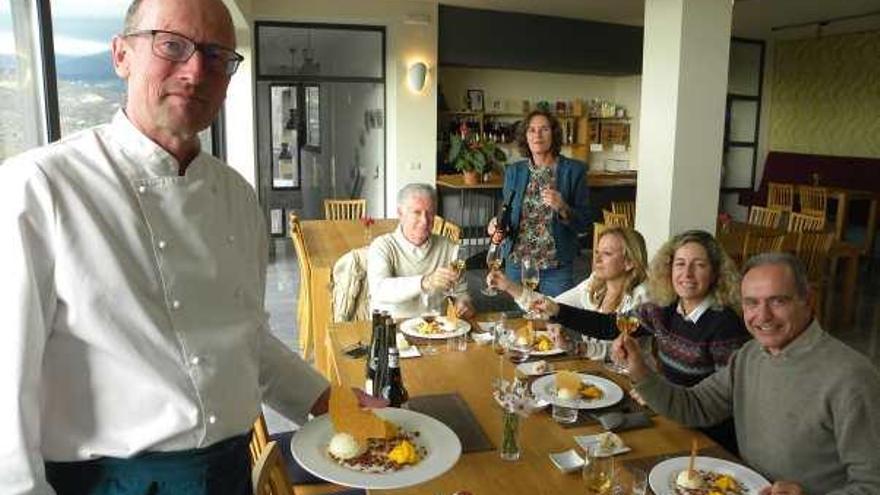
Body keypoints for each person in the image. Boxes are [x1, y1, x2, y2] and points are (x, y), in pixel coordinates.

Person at [0, 0, 335, 493]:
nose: (196, 69)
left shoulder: (239, 197)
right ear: (121, 56)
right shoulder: (39, 186)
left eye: (217, 55)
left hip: (228, 473)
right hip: (113, 482)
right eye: (171, 45)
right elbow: (7, 386)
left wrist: (326, 400)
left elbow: (246, 338)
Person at [616, 253, 880, 495]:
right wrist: (640, 371)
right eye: (751, 303)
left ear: (808, 301)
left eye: (778, 301)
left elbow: (872, 484)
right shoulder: (749, 355)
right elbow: (695, 406)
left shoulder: (851, 377)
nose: (763, 316)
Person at [486, 110, 590, 297]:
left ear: (554, 134)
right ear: (525, 136)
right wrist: (497, 224)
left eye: (544, 129)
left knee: (558, 321)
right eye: (531, 130)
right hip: (518, 264)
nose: (537, 135)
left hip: (556, 267)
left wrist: (563, 208)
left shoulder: (574, 171)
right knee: (520, 322)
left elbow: (584, 223)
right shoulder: (514, 172)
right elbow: (508, 215)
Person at [368, 183, 475, 319]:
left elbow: (461, 292)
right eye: (417, 213)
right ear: (400, 213)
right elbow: (379, 290)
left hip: (436, 330)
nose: (424, 221)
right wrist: (425, 282)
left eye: (430, 213)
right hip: (392, 329)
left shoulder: (451, 248)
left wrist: (463, 303)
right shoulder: (382, 246)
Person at [487, 226, 648, 315]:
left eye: (607, 254)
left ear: (629, 263)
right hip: (592, 369)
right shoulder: (594, 284)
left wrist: (578, 346)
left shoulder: (642, 297)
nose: (596, 259)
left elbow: (617, 344)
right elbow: (551, 306)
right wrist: (508, 285)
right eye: (597, 252)